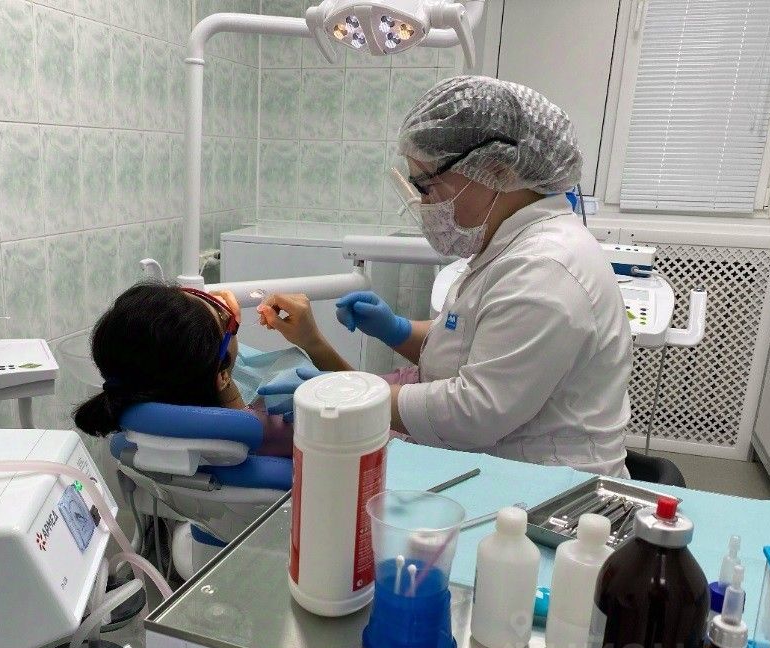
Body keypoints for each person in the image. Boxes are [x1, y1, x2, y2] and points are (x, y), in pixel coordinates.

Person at [258, 75, 632, 477]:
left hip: (547, 487)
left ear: (496, 171)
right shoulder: (509, 244)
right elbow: (467, 345)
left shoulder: (545, 269)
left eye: (428, 187)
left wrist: (339, 393)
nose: (424, 206)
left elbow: (474, 411)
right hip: (499, 465)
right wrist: (396, 330)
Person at [74, 282, 313, 457]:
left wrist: (213, 324)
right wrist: (313, 341)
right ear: (222, 377)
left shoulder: (141, 418)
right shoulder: (276, 431)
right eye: (226, 321)